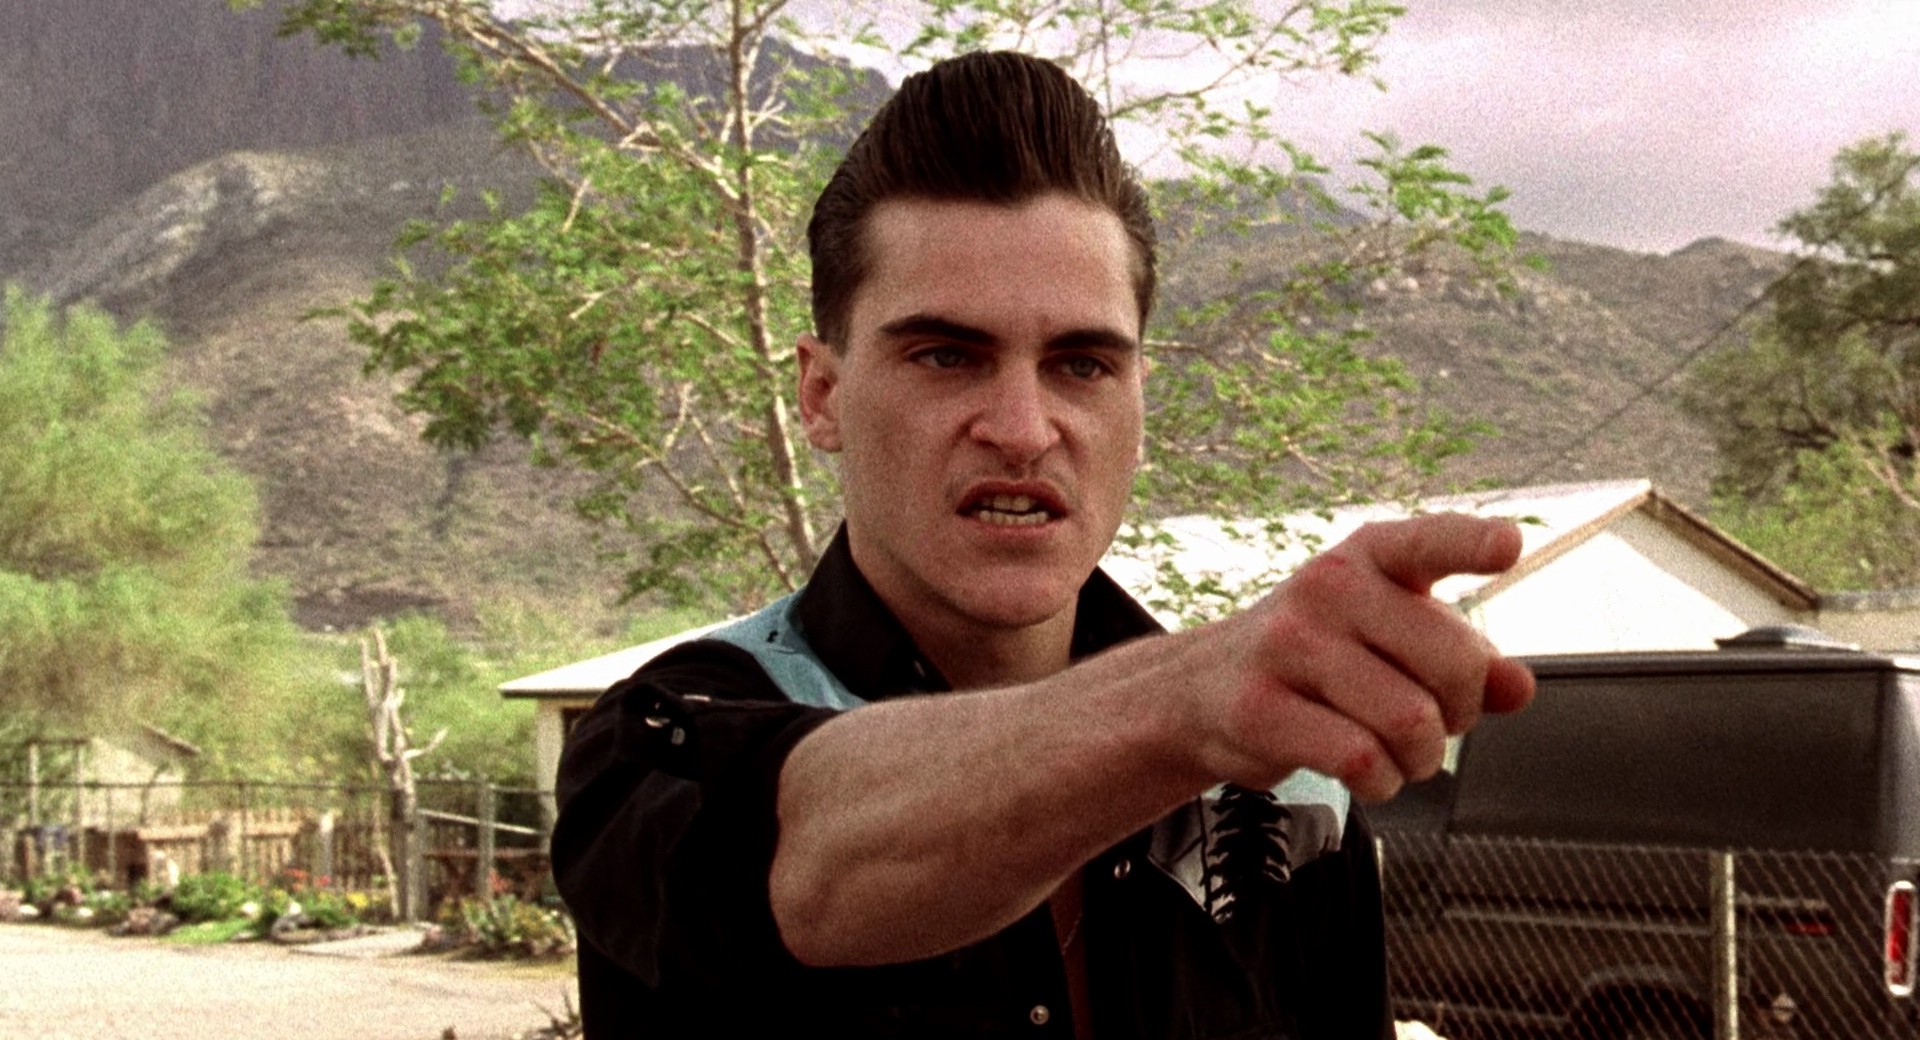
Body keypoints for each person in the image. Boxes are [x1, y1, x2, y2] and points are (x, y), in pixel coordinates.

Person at [552, 50, 1534, 1039]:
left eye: (1082, 364)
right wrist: (1183, 705)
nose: (1022, 430)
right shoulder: (661, 738)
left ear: (1139, 402)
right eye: (946, 355)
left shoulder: (1295, 797)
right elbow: (806, 865)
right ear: (822, 394)